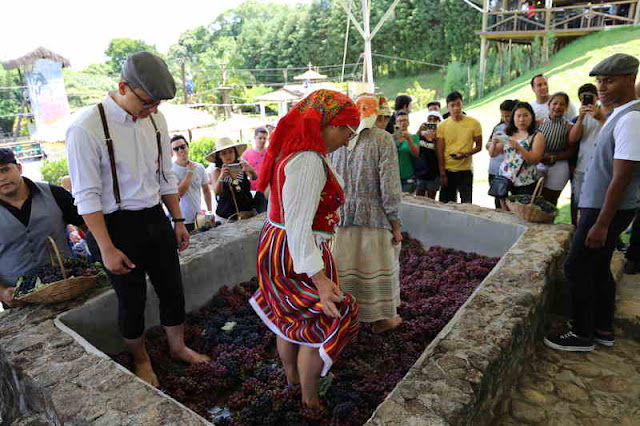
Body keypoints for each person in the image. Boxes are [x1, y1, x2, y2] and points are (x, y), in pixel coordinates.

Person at [66, 52, 210, 387]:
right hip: (114, 226)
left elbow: (164, 177)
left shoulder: (156, 120)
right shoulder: (86, 128)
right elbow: (86, 196)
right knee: (132, 302)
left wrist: (176, 220)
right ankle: (142, 360)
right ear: (122, 88)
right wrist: (105, 247)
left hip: (154, 218)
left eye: (158, 103)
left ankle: (177, 347)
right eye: (147, 102)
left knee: (173, 289)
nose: (154, 110)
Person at [249, 89, 360, 407]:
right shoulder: (309, 161)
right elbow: (298, 226)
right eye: (348, 133)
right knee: (317, 322)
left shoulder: (293, 150)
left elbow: (281, 208)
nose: (348, 142)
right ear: (332, 126)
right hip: (296, 251)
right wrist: (320, 279)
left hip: (278, 244)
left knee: (289, 320)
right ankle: (310, 400)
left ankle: (292, 381)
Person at [544, 53, 640, 352]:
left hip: (605, 210)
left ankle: (581, 333)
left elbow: (622, 176)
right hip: (602, 207)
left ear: (630, 79)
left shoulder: (632, 118)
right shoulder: (622, 112)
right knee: (598, 268)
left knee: (576, 268)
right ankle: (602, 328)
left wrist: (601, 223)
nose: (601, 87)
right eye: (599, 81)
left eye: (609, 81)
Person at [331, 93, 403, 334]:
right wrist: (395, 222)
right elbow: (390, 187)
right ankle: (380, 320)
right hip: (375, 219)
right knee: (375, 268)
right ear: (376, 117)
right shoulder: (383, 140)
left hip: (341, 219)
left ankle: (347, 317)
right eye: (382, 117)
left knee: (347, 270)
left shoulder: (339, 140)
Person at [0, 148, 85, 308]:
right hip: (19, 301)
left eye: (5, 169)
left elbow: (88, 226)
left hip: (69, 288)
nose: (2, 178)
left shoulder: (55, 193)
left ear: (18, 168)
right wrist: (2, 292)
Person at [488, 102, 546, 209]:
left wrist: (519, 148)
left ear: (531, 117)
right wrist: (494, 143)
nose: (521, 119)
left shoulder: (537, 136)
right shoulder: (508, 133)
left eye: (525, 115)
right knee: (502, 212)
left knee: (521, 213)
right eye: (518, 116)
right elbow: (493, 153)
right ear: (513, 118)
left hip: (525, 182)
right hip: (505, 180)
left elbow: (535, 160)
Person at [568, 84, 608, 224]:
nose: (587, 101)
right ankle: (579, 228)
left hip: (601, 168)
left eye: (590, 98)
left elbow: (612, 134)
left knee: (601, 204)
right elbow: (573, 138)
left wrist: (599, 117)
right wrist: (580, 118)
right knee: (579, 201)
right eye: (583, 99)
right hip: (582, 166)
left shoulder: (607, 113)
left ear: (597, 97)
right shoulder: (579, 117)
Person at [436, 91, 482, 204]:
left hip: (465, 170)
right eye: (452, 105)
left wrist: (466, 153)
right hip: (448, 170)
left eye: (458, 104)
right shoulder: (442, 126)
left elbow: (479, 146)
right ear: (447, 107)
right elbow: (439, 150)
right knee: (446, 204)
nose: (456, 108)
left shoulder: (474, 123)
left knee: (466, 204)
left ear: (462, 104)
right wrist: (442, 173)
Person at [537, 92, 575, 206]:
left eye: (562, 104)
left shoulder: (569, 126)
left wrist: (554, 157)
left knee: (551, 200)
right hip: (539, 163)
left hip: (559, 165)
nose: (558, 107)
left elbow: (571, 151)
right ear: (549, 105)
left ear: (566, 107)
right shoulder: (538, 123)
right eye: (555, 103)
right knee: (535, 195)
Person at [206, 137, 257, 222]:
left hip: (246, 214)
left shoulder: (242, 165)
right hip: (226, 217)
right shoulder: (217, 171)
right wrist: (221, 177)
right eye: (224, 153)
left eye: (230, 152)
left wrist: (249, 169)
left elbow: (254, 177)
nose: (228, 155)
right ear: (219, 156)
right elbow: (216, 191)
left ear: (235, 152)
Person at [171, 135, 212, 233]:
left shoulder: (199, 167)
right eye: (176, 149)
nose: (180, 150)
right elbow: (178, 193)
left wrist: (209, 212)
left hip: (199, 218)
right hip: (181, 221)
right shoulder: (171, 171)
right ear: (172, 152)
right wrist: (190, 172)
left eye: (182, 146)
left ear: (187, 147)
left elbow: (206, 191)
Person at [487, 99, 517, 209]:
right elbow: (488, 144)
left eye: (508, 116)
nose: (505, 119)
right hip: (495, 169)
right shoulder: (498, 127)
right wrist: (493, 144)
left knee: (515, 204)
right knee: (499, 203)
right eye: (503, 116)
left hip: (513, 171)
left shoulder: (520, 129)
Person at [414, 111, 443, 199]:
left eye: (435, 119)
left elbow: (440, 154)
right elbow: (414, 145)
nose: (432, 121)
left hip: (433, 174)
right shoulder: (422, 134)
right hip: (420, 172)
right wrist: (419, 131)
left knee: (430, 199)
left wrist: (434, 139)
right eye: (430, 119)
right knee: (418, 197)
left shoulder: (440, 136)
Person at [242, 127, 269, 213]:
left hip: (265, 191)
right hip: (250, 189)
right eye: (260, 138)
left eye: (264, 138)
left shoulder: (270, 153)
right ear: (255, 138)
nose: (262, 140)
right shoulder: (247, 154)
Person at [393, 111, 420, 193]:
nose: (402, 123)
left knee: (406, 203)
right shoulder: (391, 138)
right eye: (400, 121)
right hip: (393, 177)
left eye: (405, 120)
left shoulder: (414, 137)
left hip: (408, 177)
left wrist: (409, 139)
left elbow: (416, 154)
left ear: (408, 122)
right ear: (396, 123)